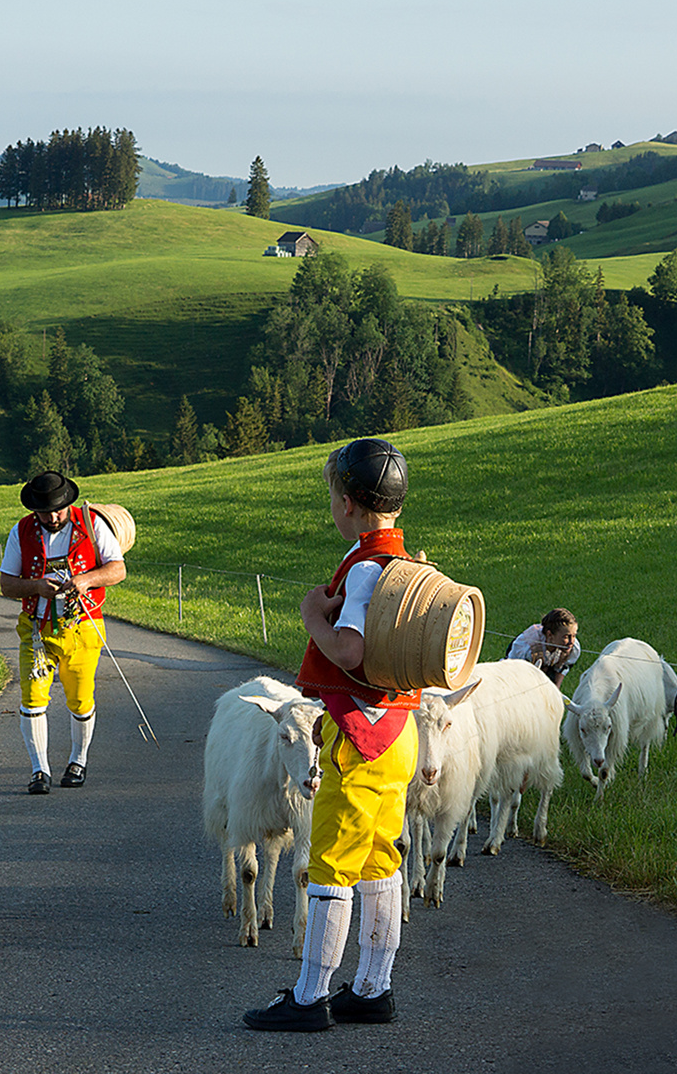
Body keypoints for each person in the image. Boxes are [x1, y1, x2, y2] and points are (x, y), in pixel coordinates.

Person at [243, 438, 418, 1033]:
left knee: (330, 866)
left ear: (347, 504)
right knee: (379, 861)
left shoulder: (366, 567)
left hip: (355, 733)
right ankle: (373, 987)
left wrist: (312, 615)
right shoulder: (410, 565)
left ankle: (310, 994)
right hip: (399, 733)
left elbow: (349, 649)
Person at [0, 471, 126, 796]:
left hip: (82, 628)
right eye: (45, 511)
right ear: (34, 509)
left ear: (68, 503)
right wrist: (36, 587)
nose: (53, 517)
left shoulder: (92, 524)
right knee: (32, 699)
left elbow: (117, 569)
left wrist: (86, 580)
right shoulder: (21, 531)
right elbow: (7, 584)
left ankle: (78, 761)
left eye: (58, 509)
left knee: (80, 700)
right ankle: (39, 770)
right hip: (36, 630)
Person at [506, 608, 580, 688]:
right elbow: (512, 673)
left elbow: (562, 669)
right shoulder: (526, 646)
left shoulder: (573, 647)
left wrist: (555, 691)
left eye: (574, 635)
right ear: (550, 635)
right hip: (520, 672)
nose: (571, 641)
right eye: (566, 637)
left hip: (549, 667)